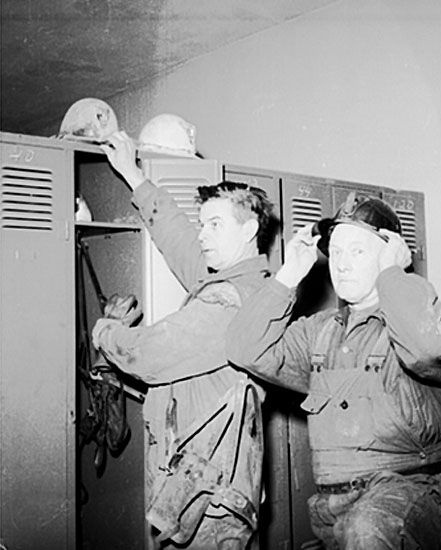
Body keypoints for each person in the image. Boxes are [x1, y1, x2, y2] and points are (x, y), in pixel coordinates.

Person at [226, 191, 441, 550]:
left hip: (405, 494)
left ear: (388, 253)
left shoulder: (410, 320)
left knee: (366, 529)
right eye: (336, 252)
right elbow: (244, 348)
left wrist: (393, 273)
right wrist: (287, 276)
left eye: (357, 251)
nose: (341, 264)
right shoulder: (318, 332)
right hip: (334, 506)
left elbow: (430, 344)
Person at [91, 130, 275, 550]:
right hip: (201, 485)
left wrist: (105, 330)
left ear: (249, 230)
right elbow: (180, 241)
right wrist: (133, 175)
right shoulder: (239, 282)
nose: (203, 235)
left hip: (210, 501)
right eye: (202, 224)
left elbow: (147, 354)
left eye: (215, 225)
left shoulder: (229, 302)